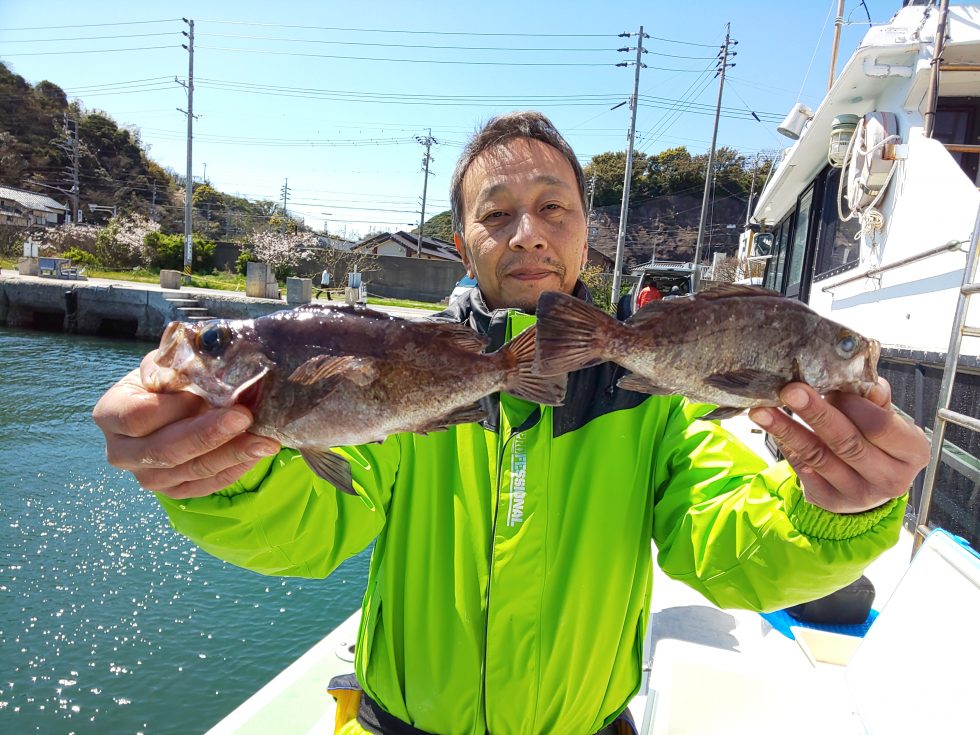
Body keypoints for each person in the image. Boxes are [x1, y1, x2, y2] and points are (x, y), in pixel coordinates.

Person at [93, 111, 929, 735]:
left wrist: (838, 510)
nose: (527, 234)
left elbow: (723, 544)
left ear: (585, 237)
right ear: (461, 242)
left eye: (553, 209)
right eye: (496, 215)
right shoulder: (412, 376)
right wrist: (222, 474)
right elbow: (316, 528)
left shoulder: (656, 397)